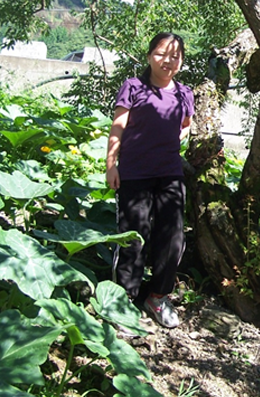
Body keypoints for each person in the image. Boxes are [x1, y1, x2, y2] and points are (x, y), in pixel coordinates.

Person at [106, 32, 194, 329]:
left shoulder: (184, 93)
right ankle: (123, 300)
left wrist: (169, 141)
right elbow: (118, 127)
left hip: (169, 173)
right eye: (161, 53)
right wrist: (111, 165)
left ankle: (157, 297)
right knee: (133, 236)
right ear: (149, 56)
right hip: (134, 172)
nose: (168, 60)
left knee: (173, 236)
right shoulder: (133, 87)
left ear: (180, 61)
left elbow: (185, 126)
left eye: (175, 55)